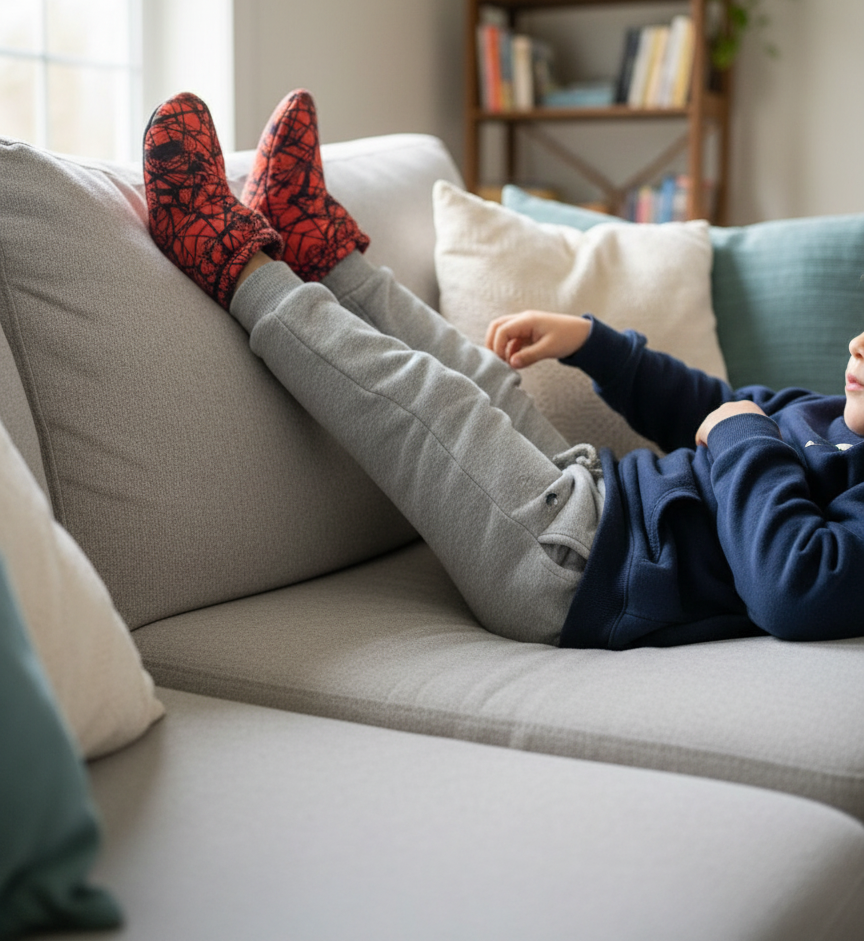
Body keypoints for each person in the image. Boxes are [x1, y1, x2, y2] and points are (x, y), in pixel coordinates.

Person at [143, 90, 864, 651]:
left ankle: (238, 266)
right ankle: (323, 256)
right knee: (483, 379)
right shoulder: (823, 413)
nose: (859, 347)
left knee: (438, 401)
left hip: (575, 578)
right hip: (592, 498)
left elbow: (795, 589)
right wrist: (595, 343)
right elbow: (709, 406)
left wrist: (743, 435)